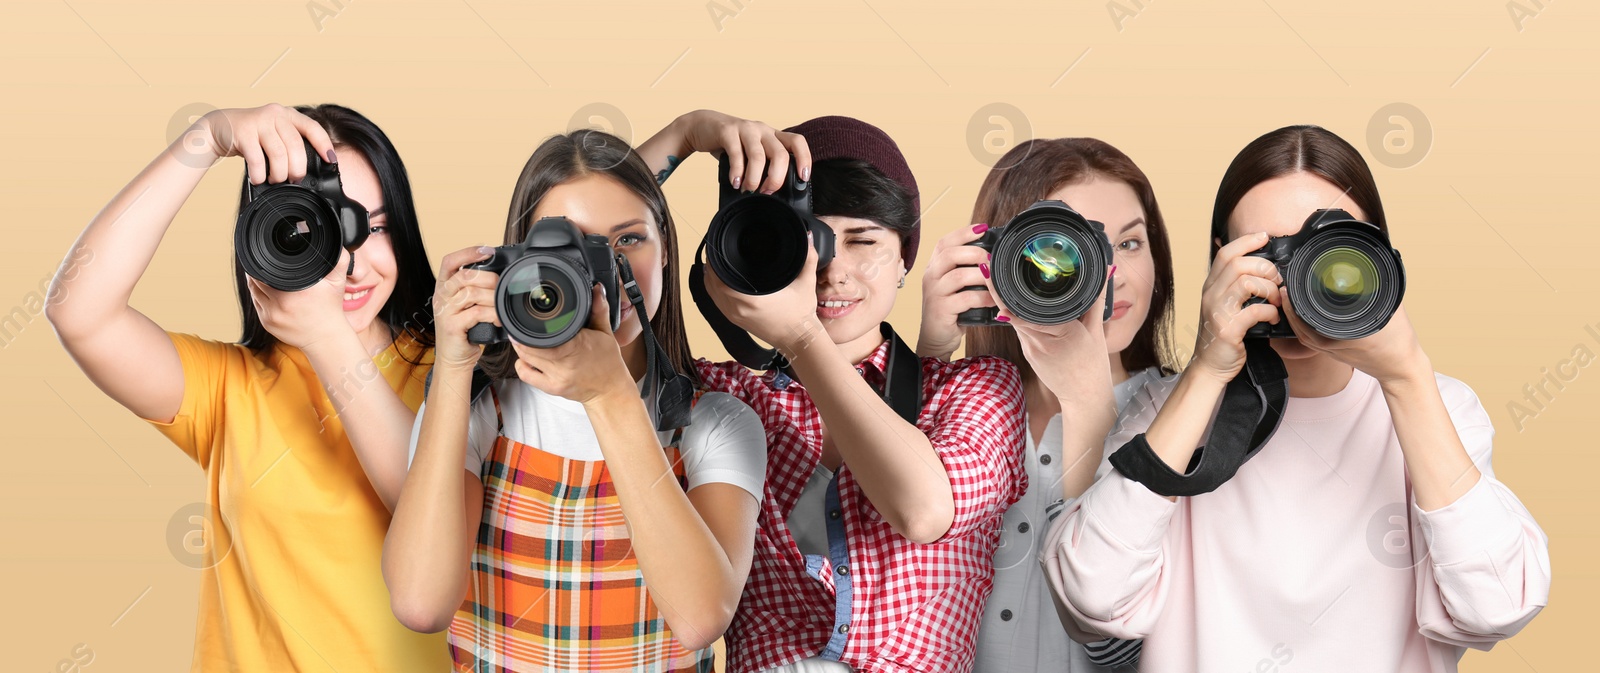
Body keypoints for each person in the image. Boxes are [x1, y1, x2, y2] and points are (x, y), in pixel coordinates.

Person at [1041, 125, 1552, 671]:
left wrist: (1406, 378)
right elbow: (1090, 597)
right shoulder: (1165, 413)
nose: (1296, 285)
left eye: (1325, 254)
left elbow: (1498, 608)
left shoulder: (1438, 405)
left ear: (1376, 256)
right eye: (1268, 255)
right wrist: (1206, 370)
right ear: (1220, 264)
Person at [45, 103, 447, 670]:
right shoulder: (229, 388)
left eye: (373, 226)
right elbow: (78, 312)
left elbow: (434, 531)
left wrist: (327, 335)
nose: (350, 265)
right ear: (267, 240)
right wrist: (205, 138)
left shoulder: (458, 372)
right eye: (318, 230)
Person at [651, 112, 1028, 672]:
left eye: (863, 240)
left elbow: (923, 512)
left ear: (905, 257)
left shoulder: (977, 389)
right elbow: (584, 268)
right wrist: (685, 135)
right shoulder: (728, 400)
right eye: (807, 241)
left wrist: (800, 336)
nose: (832, 271)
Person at [383, 129, 766, 672]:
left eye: (628, 240)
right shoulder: (476, 415)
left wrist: (610, 393)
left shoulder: (716, 426)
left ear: (666, 255)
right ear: (517, 263)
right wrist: (451, 368)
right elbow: (421, 603)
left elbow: (701, 617)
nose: (602, 272)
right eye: (571, 246)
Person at [917, 138, 1179, 671]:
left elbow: (1119, 650)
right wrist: (929, 359)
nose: (1114, 276)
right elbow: (866, 574)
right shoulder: (966, 406)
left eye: (1130, 244)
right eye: (1071, 250)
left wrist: (1089, 403)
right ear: (1004, 263)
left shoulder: (1185, 415)